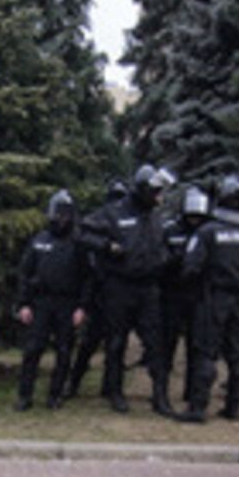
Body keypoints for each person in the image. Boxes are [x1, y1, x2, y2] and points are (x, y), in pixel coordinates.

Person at [80, 165, 177, 416]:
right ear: (143, 190)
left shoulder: (155, 215)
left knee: (156, 344)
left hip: (149, 288)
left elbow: (164, 243)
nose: (159, 197)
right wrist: (107, 246)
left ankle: (160, 396)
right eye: (155, 192)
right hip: (120, 286)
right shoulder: (114, 212)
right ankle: (115, 392)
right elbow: (83, 232)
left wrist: (164, 258)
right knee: (116, 342)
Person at [175, 175, 239, 423]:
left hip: (213, 298)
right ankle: (233, 407)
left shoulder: (207, 232)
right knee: (238, 354)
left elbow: (190, 268)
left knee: (206, 352)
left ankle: (197, 408)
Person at [14, 190, 88, 411]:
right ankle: (25, 395)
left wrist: (82, 307)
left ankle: (55, 395)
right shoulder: (39, 241)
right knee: (33, 349)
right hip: (40, 303)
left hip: (67, 303)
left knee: (64, 351)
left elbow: (87, 279)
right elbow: (25, 273)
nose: (59, 219)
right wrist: (24, 304)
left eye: (64, 215)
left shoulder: (78, 243)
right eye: (57, 214)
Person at [64, 178, 128, 400]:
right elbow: (82, 237)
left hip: (119, 291)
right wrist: (106, 247)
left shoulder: (129, 223)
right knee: (90, 343)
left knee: (116, 343)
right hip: (99, 290)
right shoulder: (99, 220)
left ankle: (110, 387)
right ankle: (73, 383)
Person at [159, 185, 211, 407]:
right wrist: (175, 260)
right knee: (166, 347)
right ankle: (160, 391)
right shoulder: (171, 230)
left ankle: (192, 391)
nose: (194, 220)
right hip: (172, 295)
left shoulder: (208, 232)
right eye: (191, 216)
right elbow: (159, 258)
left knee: (196, 347)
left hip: (198, 296)